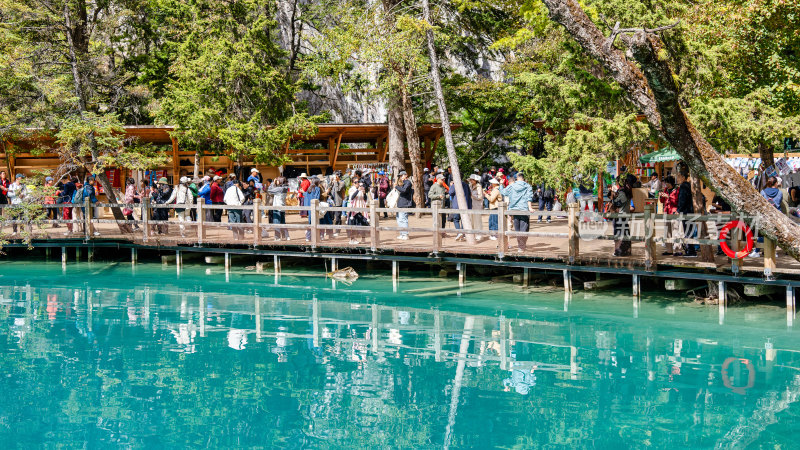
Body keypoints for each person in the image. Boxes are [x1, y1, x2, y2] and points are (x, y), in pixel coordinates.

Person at [497, 173, 534, 252]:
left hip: (514, 210)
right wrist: (530, 207)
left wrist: (501, 184)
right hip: (524, 209)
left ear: (517, 178)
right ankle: (521, 247)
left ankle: (520, 246)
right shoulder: (528, 186)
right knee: (524, 229)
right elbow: (529, 198)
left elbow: (503, 192)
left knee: (517, 229)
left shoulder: (512, 186)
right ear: (523, 178)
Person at [610, 174, 634, 256]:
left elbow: (618, 202)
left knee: (619, 233)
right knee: (624, 233)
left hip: (621, 214)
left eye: (617, 181)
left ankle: (620, 252)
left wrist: (613, 198)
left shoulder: (622, 191)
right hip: (625, 213)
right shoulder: (627, 190)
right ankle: (626, 251)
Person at [675, 170, 696, 257]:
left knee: (688, 231)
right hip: (690, 211)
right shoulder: (688, 185)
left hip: (686, 212)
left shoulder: (684, 186)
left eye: (679, 176)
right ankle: (690, 250)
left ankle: (691, 251)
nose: (677, 178)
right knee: (689, 231)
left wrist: (679, 210)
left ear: (683, 177)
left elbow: (682, 200)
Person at [658, 176, 679, 256]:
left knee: (675, 231)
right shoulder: (666, 189)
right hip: (666, 211)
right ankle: (669, 250)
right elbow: (662, 201)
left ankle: (677, 250)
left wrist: (668, 197)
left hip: (674, 212)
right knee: (667, 232)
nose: (666, 184)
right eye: (665, 182)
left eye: (668, 182)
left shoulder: (677, 189)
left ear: (672, 183)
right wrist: (661, 196)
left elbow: (676, 200)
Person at [395, 170, 413, 240]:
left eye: (402, 175)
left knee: (403, 219)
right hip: (401, 203)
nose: (401, 177)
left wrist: (396, 187)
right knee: (399, 219)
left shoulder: (408, 182)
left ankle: (405, 234)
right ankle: (402, 233)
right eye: (400, 176)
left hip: (405, 203)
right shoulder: (404, 183)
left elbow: (404, 190)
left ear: (406, 175)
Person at [469, 174, 484, 240]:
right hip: (471, 205)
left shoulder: (479, 186)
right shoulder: (470, 186)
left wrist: (473, 196)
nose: (471, 181)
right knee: (471, 220)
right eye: (470, 179)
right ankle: (473, 234)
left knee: (477, 220)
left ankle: (479, 235)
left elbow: (480, 197)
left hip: (477, 205)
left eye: (472, 179)